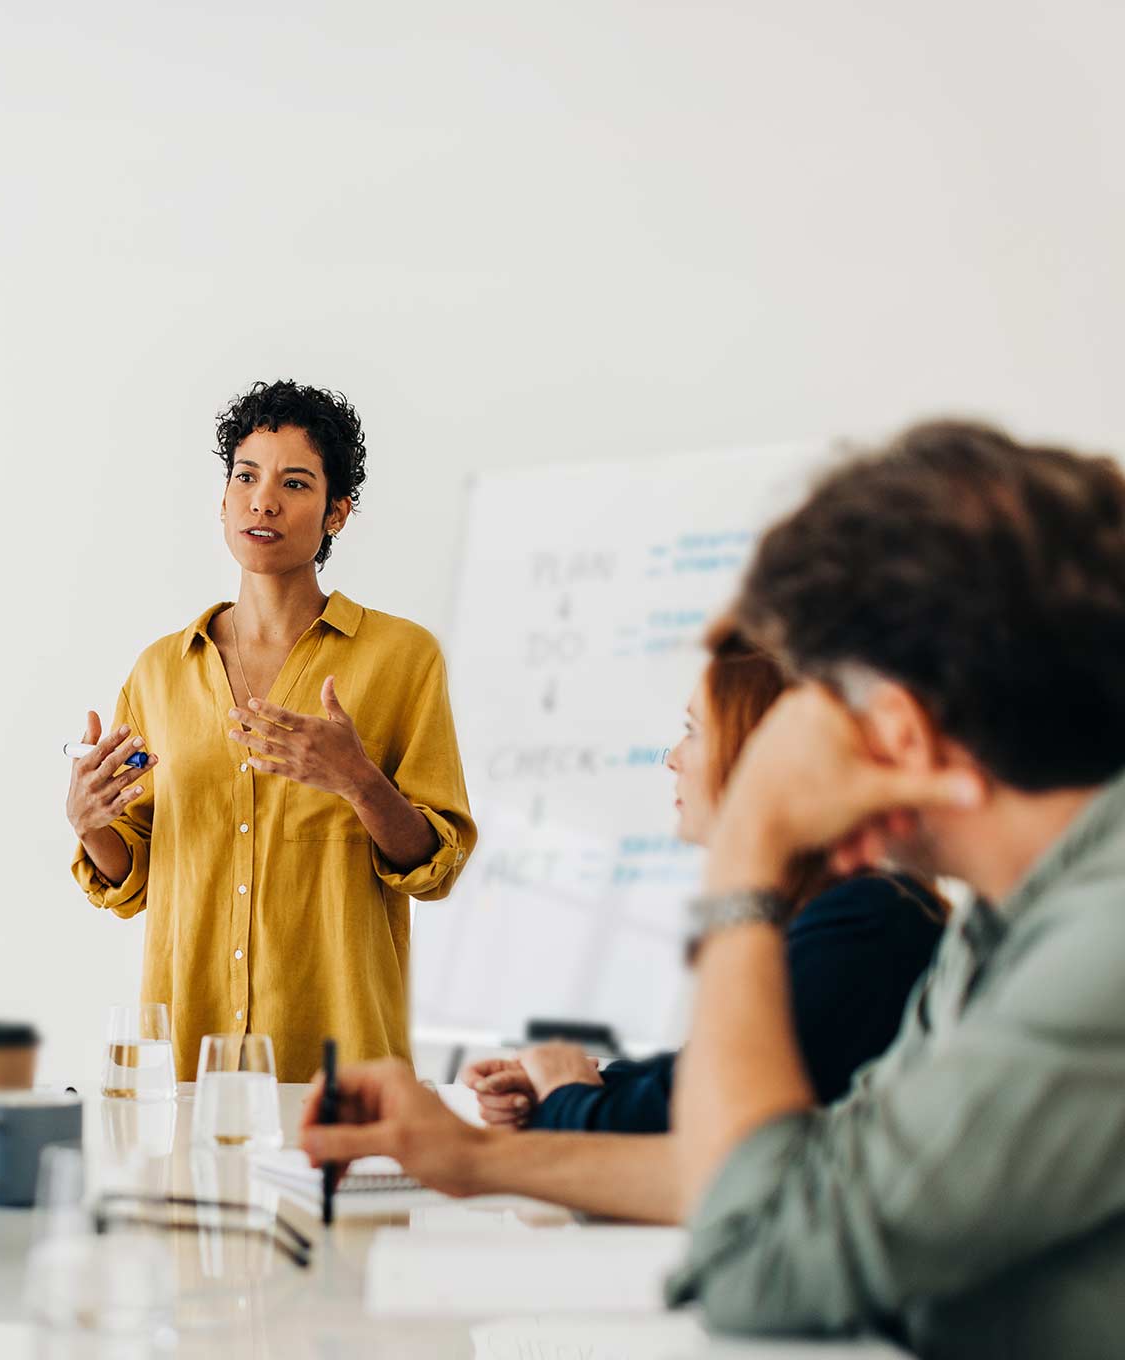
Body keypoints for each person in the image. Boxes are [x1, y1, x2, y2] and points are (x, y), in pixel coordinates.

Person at [300, 421, 1125, 1358]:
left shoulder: (1103, 943)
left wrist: (749, 848)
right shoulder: (1012, 926)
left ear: (895, 733)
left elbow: (761, 1257)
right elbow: (797, 1180)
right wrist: (474, 1159)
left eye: (811, 708)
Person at [67, 380, 477, 1081]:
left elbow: (433, 868)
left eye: (294, 482)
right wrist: (88, 821)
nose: (263, 500)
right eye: (246, 477)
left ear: (337, 513)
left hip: (343, 1075)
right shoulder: (161, 670)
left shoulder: (401, 658)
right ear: (224, 501)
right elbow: (131, 881)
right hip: (188, 1077)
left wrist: (356, 778)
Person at [465, 626, 943, 1134]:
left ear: (756, 758)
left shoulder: (862, 928)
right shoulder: (829, 915)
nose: (672, 758)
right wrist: (571, 1083)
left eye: (693, 731)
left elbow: (688, 1123)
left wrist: (565, 1094)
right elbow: (696, 1074)